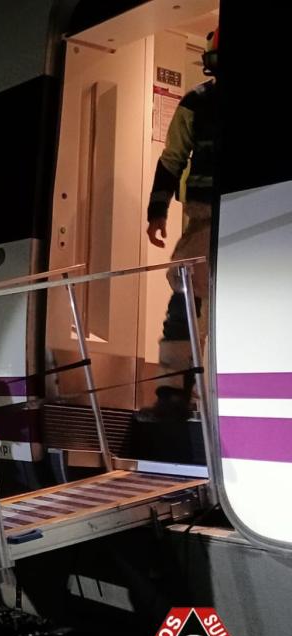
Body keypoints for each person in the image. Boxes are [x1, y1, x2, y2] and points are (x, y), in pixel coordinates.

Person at [144, 28, 219, 419]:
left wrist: (157, 211)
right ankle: (180, 396)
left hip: (209, 213)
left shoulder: (197, 101)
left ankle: (178, 396)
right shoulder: (195, 102)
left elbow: (173, 158)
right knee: (190, 300)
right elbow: (172, 159)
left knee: (188, 298)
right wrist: (157, 210)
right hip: (215, 214)